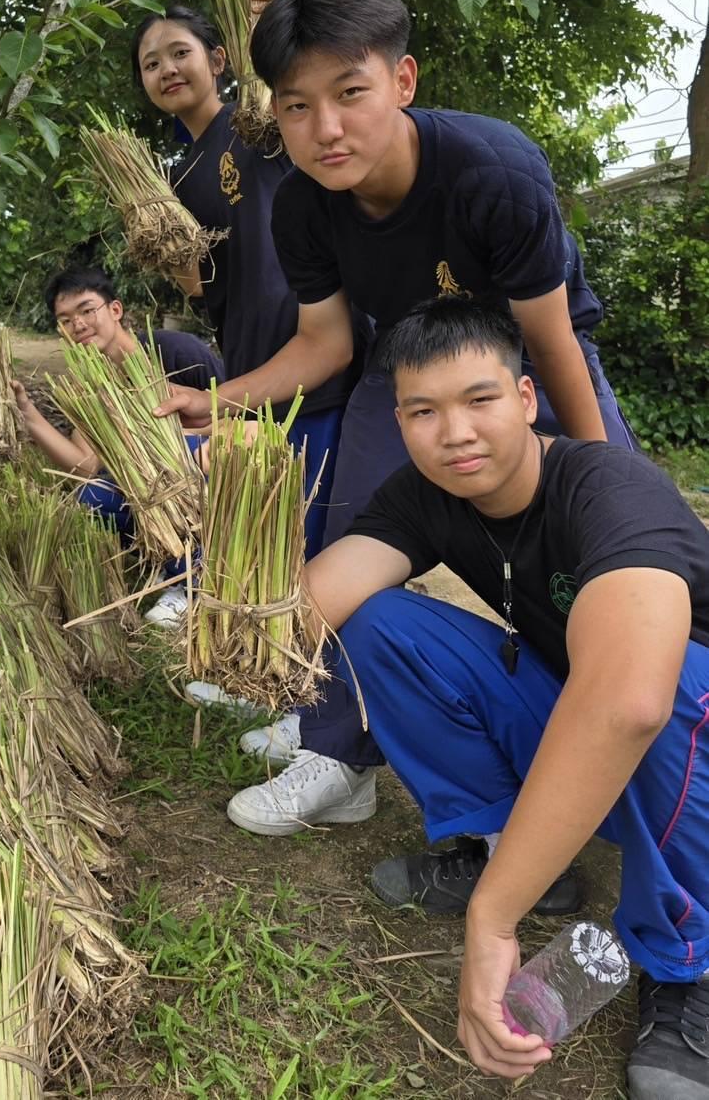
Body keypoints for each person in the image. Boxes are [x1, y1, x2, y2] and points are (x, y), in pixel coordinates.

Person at [154, 0, 636, 835]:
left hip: (523, 346)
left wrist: (593, 477)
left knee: (613, 543)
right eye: (296, 106)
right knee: (351, 531)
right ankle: (339, 754)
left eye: (351, 92)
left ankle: (630, 735)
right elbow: (327, 344)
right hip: (400, 360)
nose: (325, 129)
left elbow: (553, 340)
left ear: (402, 81)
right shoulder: (302, 208)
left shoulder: (493, 170)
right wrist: (219, 401)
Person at [297, 297, 708, 1100]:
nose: (455, 433)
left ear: (525, 398)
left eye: (479, 399)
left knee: (665, 675)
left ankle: (690, 956)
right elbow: (316, 600)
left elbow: (628, 703)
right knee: (381, 623)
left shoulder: (607, 487)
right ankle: (507, 845)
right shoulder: (424, 495)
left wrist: (495, 920)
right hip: (602, 746)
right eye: (423, 410)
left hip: (690, 744)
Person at [130, 0, 368, 567]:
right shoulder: (174, 177)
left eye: (178, 52)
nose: (166, 70)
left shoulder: (259, 121)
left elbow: (310, 99)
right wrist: (163, 246)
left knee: (327, 535)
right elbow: (200, 285)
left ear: (218, 60)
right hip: (251, 364)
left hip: (320, 353)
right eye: (150, 63)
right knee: (276, 541)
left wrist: (287, 21)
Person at [12, 264, 223, 622]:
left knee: (185, 458)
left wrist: (182, 438)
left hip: (207, 467)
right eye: (65, 320)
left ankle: (194, 579)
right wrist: (28, 414)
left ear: (115, 310)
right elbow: (87, 465)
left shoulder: (173, 351)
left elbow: (244, 415)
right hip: (152, 485)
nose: (77, 325)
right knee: (93, 496)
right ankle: (166, 556)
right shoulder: (90, 383)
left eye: (86, 310)